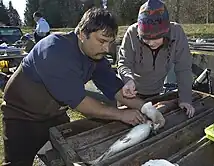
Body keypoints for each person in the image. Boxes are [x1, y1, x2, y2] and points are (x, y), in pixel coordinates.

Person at [1, 8, 165, 166]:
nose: (107, 49)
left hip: (54, 114)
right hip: (22, 116)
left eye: (110, 42)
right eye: (101, 41)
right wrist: (122, 115)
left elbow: (115, 88)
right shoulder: (54, 50)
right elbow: (81, 103)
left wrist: (146, 108)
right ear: (81, 34)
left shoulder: (95, 56)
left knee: (64, 154)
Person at [117, 0, 195, 118]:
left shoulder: (177, 33)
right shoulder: (131, 33)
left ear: (166, 33)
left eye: (156, 39)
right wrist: (128, 80)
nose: (151, 43)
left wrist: (185, 99)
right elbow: (124, 63)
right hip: (130, 94)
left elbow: (183, 68)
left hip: (156, 93)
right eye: (145, 39)